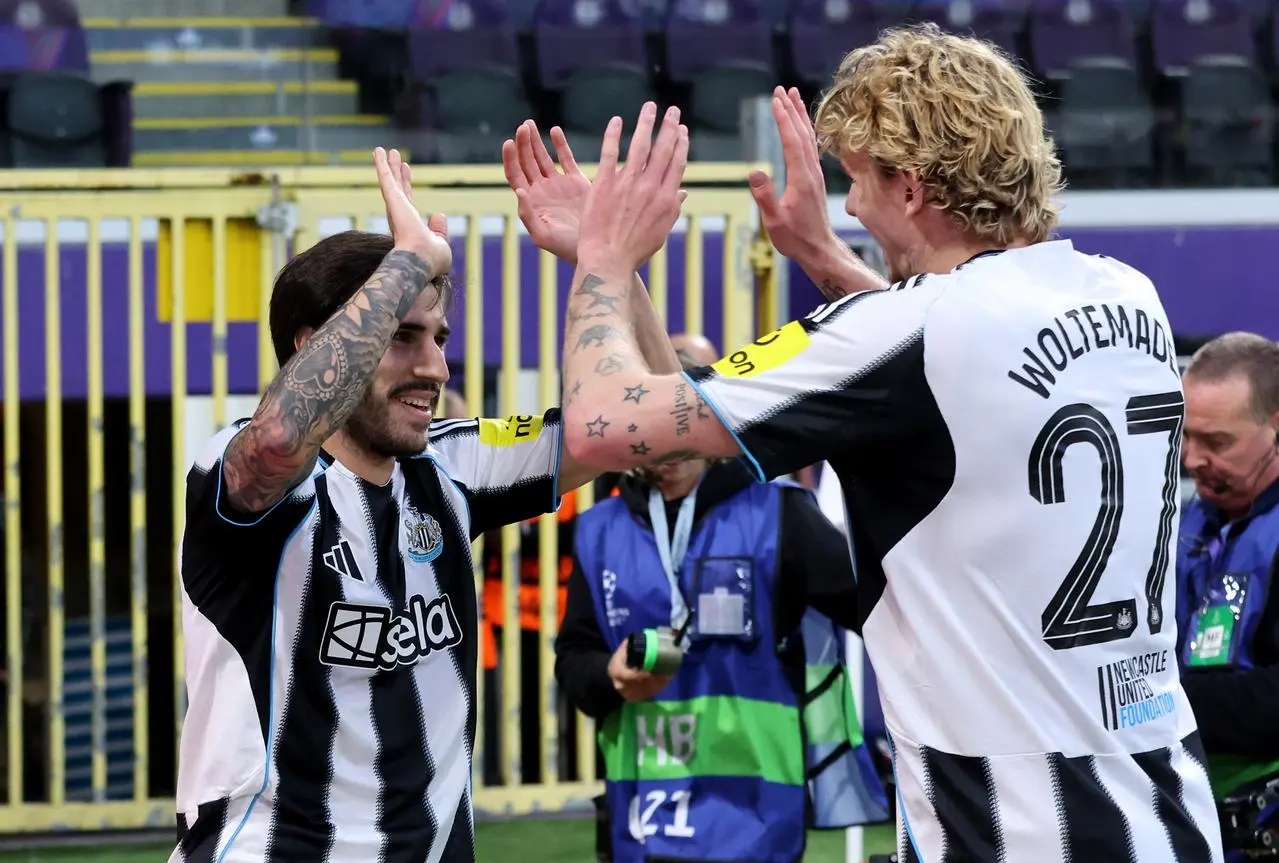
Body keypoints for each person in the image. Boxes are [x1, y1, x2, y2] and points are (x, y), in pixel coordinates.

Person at [554, 24, 1223, 863]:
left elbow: (602, 421)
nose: (852, 202)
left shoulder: (901, 332)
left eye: (857, 179)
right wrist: (823, 255)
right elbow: (957, 375)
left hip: (1006, 823)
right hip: (1165, 806)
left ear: (909, 187)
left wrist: (601, 260)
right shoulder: (1129, 294)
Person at [170, 148, 678, 862]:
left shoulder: (453, 465)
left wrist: (606, 261)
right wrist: (409, 259)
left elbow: (665, 431)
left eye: (438, 338)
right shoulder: (243, 472)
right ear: (313, 346)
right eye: (402, 338)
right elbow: (282, 435)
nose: (436, 367)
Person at [554, 337, 887, 863]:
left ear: (706, 420)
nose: (661, 450)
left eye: (675, 428)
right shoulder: (599, 530)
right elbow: (574, 660)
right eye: (643, 432)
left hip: (755, 818)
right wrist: (609, 676)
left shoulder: (780, 515)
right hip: (641, 815)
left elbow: (883, 614)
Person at [1175, 332, 1279, 853]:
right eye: (1186, 436)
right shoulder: (1188, 525)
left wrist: (1153, 700)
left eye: (1217, 443)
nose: (1192, 460)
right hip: (1185, 811)